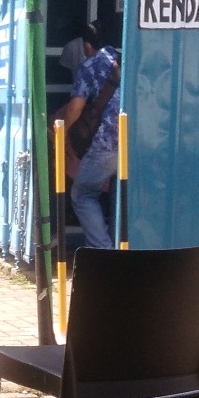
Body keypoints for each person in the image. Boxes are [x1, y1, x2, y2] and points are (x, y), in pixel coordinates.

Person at [62, 25, 121, 250]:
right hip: (132, 142)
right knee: (119, 195)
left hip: (106, 142)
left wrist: (63, 132)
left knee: (83, 194)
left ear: (88, 45)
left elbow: (76, 108)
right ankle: (119, 249)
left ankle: (103, 251)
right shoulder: (127, 60)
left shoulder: (90, 65)